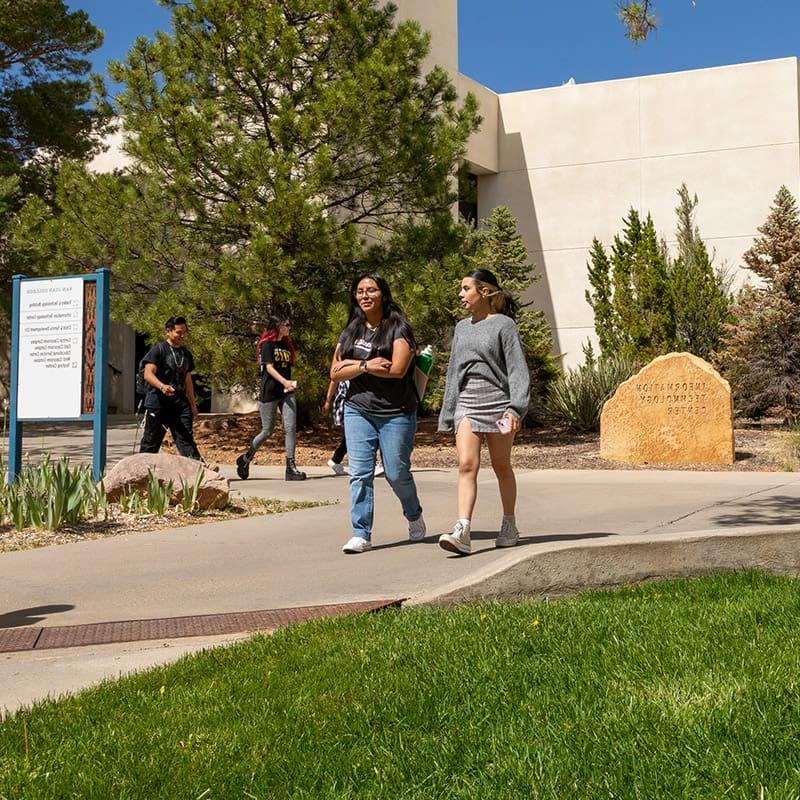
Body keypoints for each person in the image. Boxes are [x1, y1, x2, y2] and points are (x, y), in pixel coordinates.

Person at [437, 268, 530, 555]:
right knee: (467, 464)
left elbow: (516, 369)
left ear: (485, 292)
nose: (461, 294)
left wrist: (515, 407)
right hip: (467, 402)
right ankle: (463, 529)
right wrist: (448, 411)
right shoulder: (461, 328)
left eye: (466, 289)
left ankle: (509, 524)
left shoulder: (504, 325)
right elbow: (454, 371)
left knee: (502, 466)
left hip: (500, 405)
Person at [330, 273, 425, 553]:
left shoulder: (398, 328)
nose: (365, 296)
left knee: (396, 473)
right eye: (360, 291)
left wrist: (353, 363)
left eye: (371, 290)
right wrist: (366, 366)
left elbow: (396, 369)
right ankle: (361, 533)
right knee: (359, 473)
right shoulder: (351, 330)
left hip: (396, 412)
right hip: (358, 409)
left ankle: (414, 514)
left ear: (383, 293)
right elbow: (335, 371)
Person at [236, 316, 306, 481]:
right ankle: (246, 459)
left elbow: (285, 368)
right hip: (269, 392)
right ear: (278, 326)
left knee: (290, 428)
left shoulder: (286, 345)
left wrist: (288, 384)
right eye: (287, 324)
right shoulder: (267, 344)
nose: (289, 327)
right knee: (267, 431)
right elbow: (269, 368)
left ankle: (290, 467)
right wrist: (284, 382)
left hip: (286, 392)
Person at [139, 316, 202, 460]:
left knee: (186, 438)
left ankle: (199, 469)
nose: (183, 336)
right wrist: (162, 386)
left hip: (180, 403)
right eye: (179, 332)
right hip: (158, 402)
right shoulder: (158, 350)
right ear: (168, 331)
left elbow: (188, 380)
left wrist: (193, 405)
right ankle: (143, 472)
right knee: (151, 442)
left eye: (185, 332)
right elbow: (148, 374)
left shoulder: (186, 353)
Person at [322, 379, 384, 477]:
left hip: (360, 402)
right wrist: (328, 401)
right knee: (365, 432)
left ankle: (336, 459)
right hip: (350, 404)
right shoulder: (347, 366)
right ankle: (372, 463)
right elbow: (334, 380)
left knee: (354, 434)